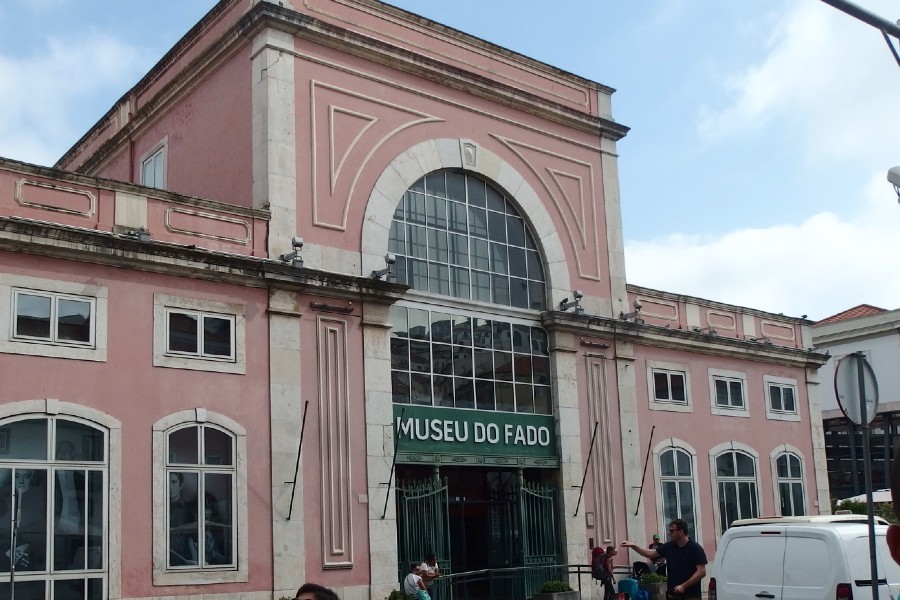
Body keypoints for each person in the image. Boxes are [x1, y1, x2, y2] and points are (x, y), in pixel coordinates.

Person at [621, 519, 707, 599]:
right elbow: (650, 553)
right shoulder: (669, 547)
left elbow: (701, 572)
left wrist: (683, 586)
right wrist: (634, 546)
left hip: (691, 596)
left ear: (681, 532)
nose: (669, 533)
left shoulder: (695, 549)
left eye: (672, 531)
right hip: (673, 595)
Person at [168, 472, 198, 566]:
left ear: (181, 485)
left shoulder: (189, 509)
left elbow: (193, 540)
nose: (169, 486)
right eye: (167, 482)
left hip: (182, 561)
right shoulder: (159, 508)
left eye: (174, 482)